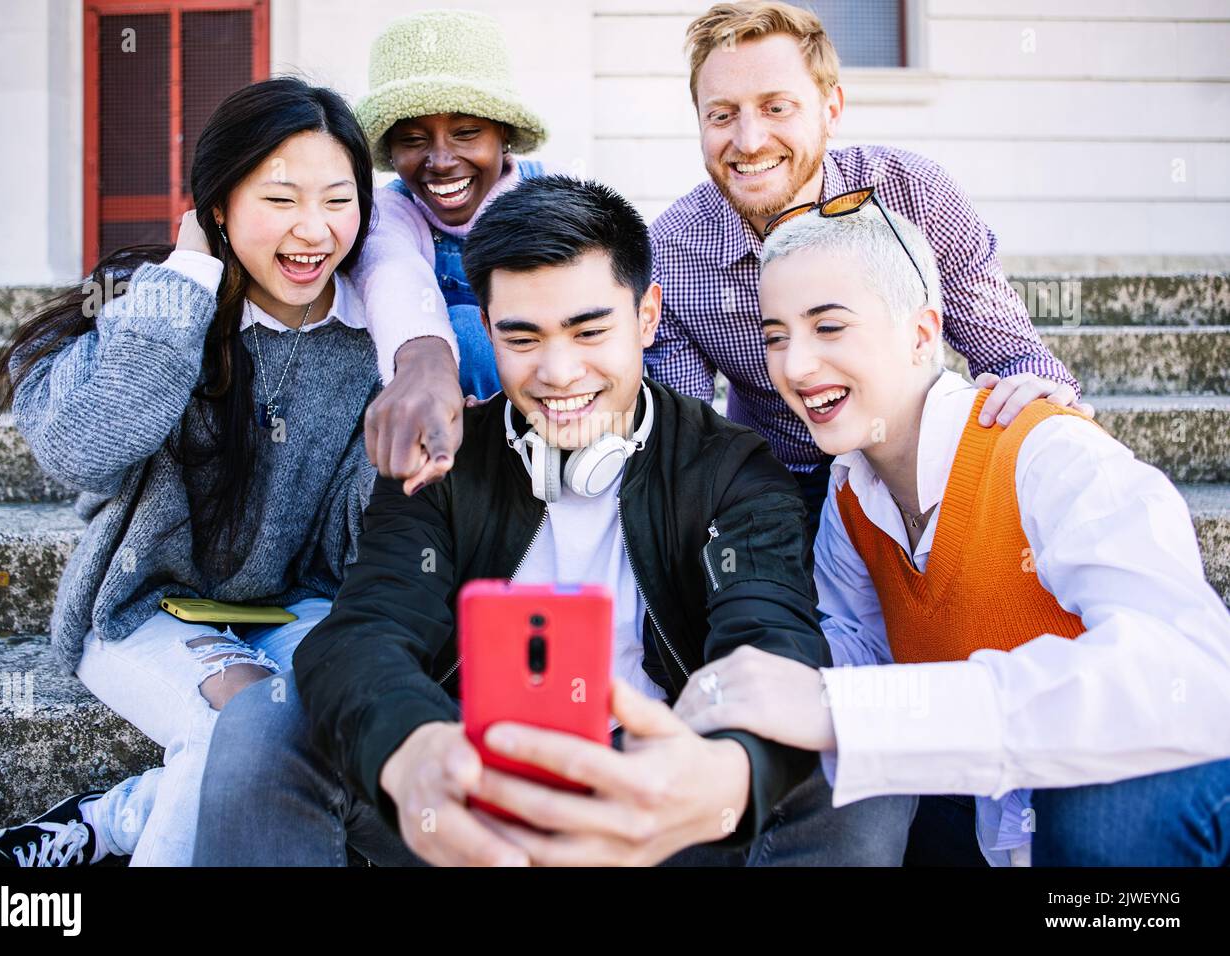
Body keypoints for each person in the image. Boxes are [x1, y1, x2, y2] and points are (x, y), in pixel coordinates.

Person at [193, 176, 916, 867]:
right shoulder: (442, 464)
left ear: (648, 316)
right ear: (487, 333)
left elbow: (773, 642)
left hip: (663, 811)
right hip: (473, 809)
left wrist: (723, 768)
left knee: (859, 761)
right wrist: (415, 749)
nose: (559, 372)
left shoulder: (728, 469)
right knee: (265, 723)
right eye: (523, 338)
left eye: (588, 331)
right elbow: (364, 633)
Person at [0, 77, 461, 868]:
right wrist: (187, 285)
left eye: (337, 200)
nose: (312, 230)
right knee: (238, 724)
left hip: (296, 609)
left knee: (316, 718)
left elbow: (353, 528)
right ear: (218, 207)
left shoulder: (367, 340)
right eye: (280, 199)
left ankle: (119, 817)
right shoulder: (155, 309)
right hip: (141, 608)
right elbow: (81, 449)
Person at [675, 193, 1230, 866]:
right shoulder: (852, 495)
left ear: (920, 333)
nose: (794, 367)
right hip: (997, 812)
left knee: (1102, 813)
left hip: (1162, 792)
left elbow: (1190, 672)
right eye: (774, 336)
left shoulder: (1049, 452)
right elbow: (856, 651)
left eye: (829, 327)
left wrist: (845, 709)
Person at [645, 1, 1090, 546]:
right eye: (721, 114)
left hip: (919, 468)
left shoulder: (915, 194)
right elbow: (684, 436)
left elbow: (1012, 354)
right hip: (785, 485)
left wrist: (1048, 407)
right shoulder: (670, 252)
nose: (750, 139)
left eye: (777, 107)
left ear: (831, 108)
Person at [358, 7, 551, 400]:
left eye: (466, 133)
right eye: (412, 140)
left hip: (557, 402)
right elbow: (392, 274)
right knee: (465, 328)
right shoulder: (389, 214)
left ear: (505, 134)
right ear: (390, 152)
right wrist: (425, 367)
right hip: (441, 418)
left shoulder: (556, 196)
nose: (441, 161)